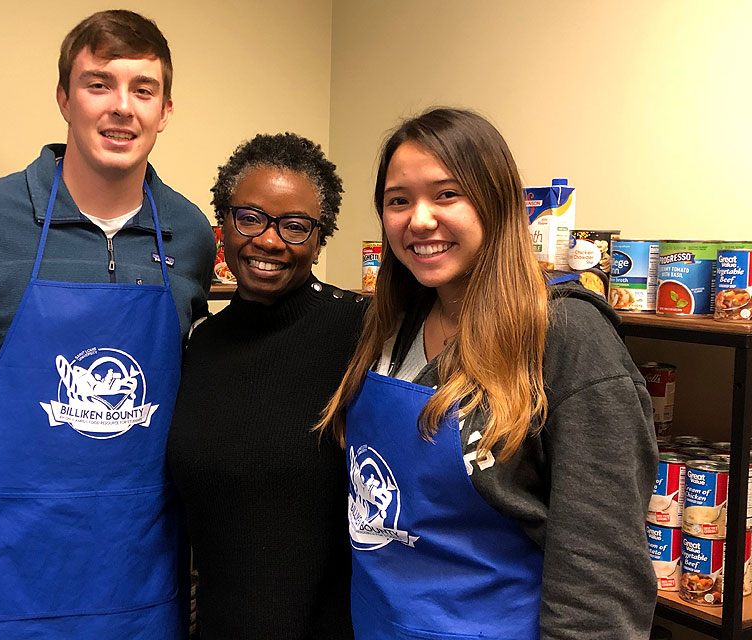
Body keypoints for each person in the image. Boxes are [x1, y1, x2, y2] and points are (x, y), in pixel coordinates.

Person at [0, 10, 214, 639]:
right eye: (98, 84)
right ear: (63, 98)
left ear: (166, 110)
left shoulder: (190, 235)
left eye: (143, 89)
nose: (122, 107)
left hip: (134, 574)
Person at [317, 108, 658, 639]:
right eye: (398, 200)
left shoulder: (564, 335)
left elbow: (602, 569)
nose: (419, 219)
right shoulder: (391, 326)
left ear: (497, 202)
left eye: (446, 194)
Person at [167, 133, 364, 639]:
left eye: (295, 227)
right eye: (250, 218)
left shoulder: (363, 332)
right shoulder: (201, 343)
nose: (269, 241)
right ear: (223, 226)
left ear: (320, 239)